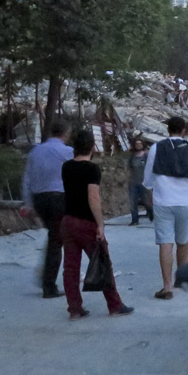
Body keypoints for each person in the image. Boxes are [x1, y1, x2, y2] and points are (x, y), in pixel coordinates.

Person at [59, 129, 134, 321]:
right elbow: (93, 196)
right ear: (93, 146)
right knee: (102, 262)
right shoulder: (92, 169)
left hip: (67, 220)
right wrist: (100, 224)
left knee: (71, 267)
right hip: (86, 222)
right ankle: (115, 304)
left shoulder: (66, 167)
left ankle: (74, 308)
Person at [144, 117, 188, 299]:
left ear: (167, 129)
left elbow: (149, 175)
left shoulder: (157, 148)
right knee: (182, 241)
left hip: (163, 200)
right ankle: (181, 280)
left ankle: (167, 286)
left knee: (165, 243)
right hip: (186, 201)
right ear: (185, 130)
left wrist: (151, 186)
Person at [21, 118, 74, 298]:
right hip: (59, 198)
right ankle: (48, 284)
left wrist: (29, 203)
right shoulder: (68, 152)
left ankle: (47, 277)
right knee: (56, 240)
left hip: (39, 199)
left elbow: (27, 179)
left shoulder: (35, 151)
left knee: (55, 236)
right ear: (66, 133)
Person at [126, 138, 153, 225]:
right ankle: (135, 220)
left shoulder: (146, 155)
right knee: (132, 201)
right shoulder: (132, 157)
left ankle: (150, 213)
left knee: (146, 201)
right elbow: (129, 168)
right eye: (136, 144)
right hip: (133, 182)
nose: (138, 145)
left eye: (140, 143)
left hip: (144, 182)